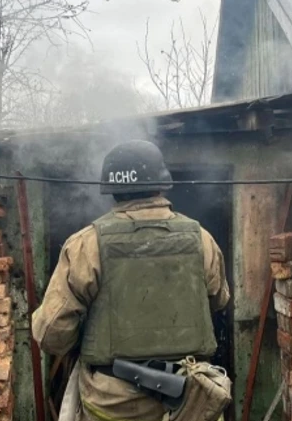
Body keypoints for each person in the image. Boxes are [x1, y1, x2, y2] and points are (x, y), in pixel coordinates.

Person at [32, 140, 231, 421]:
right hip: (189, 400)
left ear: (112, 191)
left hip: (113, 404)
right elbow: (218, 300)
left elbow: (53, 333)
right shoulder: (201, 238)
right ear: (161, 186)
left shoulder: (85, 244)